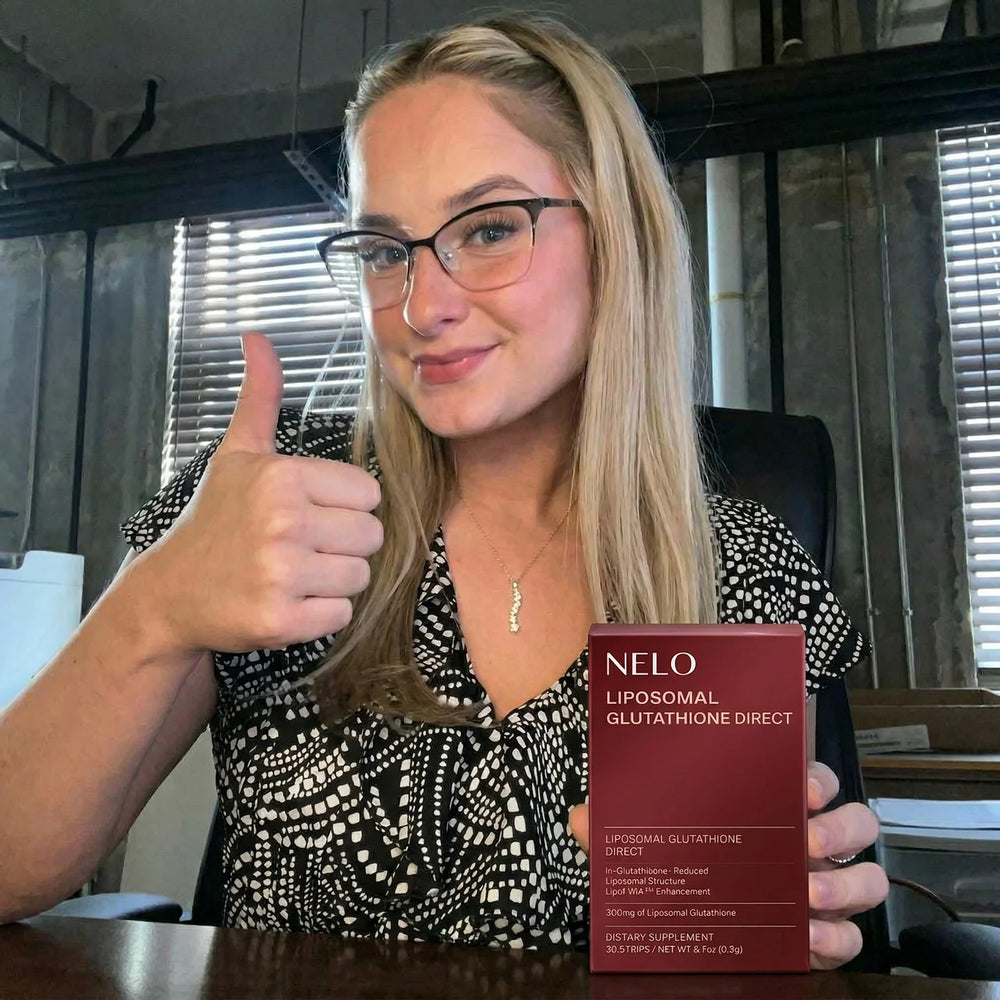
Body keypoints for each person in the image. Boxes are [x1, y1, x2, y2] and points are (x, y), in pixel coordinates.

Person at [0, 15, 887, 967]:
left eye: (491, 228)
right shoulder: (280, 506)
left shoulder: (738, 568)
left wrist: (787, 937)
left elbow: (748, 946)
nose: (421, 307)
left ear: (616, 235)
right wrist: (155, 608)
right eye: (385, 250)